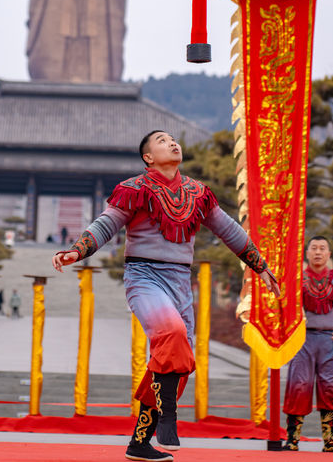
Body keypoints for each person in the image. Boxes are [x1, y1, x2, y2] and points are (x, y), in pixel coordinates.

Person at [52, 130, 280, 462]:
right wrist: (77, 251)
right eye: (162, 141)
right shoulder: (134, 190)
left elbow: (229, 229)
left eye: (173, 139)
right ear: (148, 157)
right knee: (171, 334)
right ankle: (169, 416)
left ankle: (140, 442)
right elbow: (106, 224)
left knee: (176, 360)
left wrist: (258, 265)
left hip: (179, 281)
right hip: (144, 276)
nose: (172, 143)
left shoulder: (198, 193)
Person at [282, 235, 333, 453]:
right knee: (298, 386)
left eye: (322, 248)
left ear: (329, 254)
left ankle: (330, 441)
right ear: (307, 253)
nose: (318, 252)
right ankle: (292, 440)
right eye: (314, 248)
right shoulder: (296, 278)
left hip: (330, 341)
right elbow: (282, 307)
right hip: (303, 341)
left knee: (330, 389)